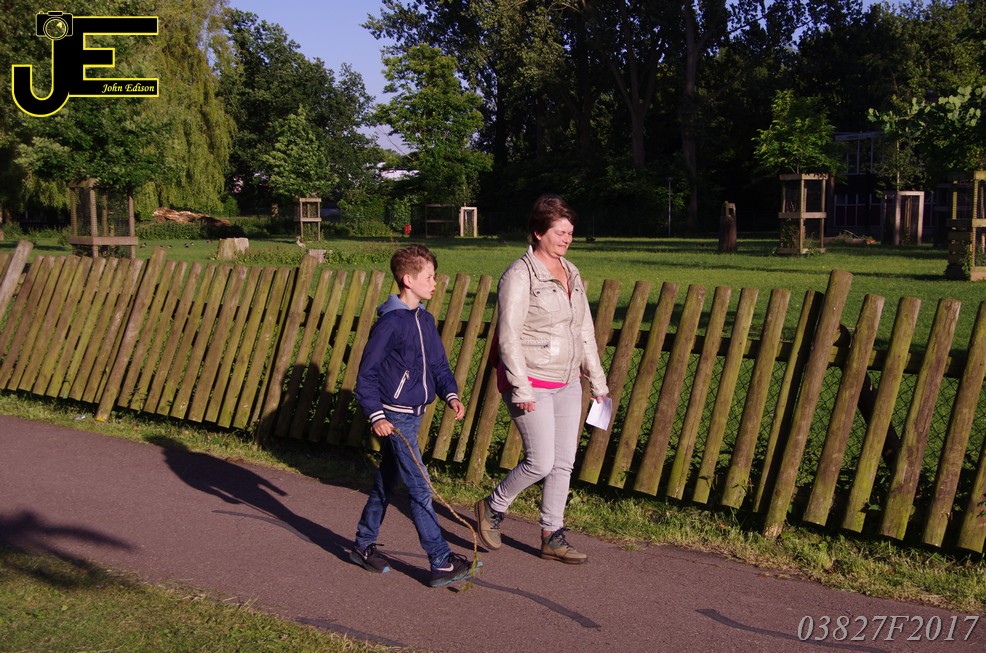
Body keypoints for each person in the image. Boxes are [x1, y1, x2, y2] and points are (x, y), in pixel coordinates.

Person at [474, 194, 609, 564]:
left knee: (564, 462)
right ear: (538, 232)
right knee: (541, 461)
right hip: (532, 381)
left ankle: (552, 535)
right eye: (559, 232)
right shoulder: (519, 275)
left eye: (570, 233)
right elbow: (508, 336)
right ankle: (492, 506)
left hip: (568, 382)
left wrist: (597, 382)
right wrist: (520, 386)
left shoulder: (572, 271)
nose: (567, 239)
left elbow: (584, 330)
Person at [351, 244, 479, 587]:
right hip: (395, 418)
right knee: (420, 488)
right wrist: (376, 415)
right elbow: (366, 375)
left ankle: (362, 544)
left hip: (415, 414)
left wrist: (450, 394)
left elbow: (438, 364)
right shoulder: (390, 324)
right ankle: (440, 560)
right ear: (408, 280)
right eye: (430, 277)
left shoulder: (425, 319)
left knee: (387, 480)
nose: (435, 283)